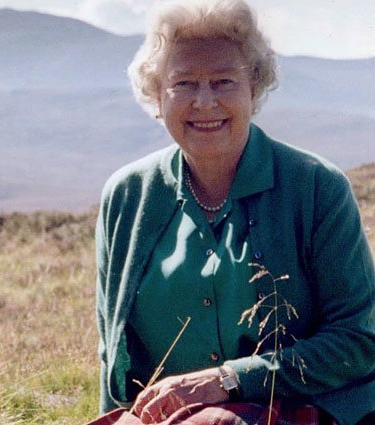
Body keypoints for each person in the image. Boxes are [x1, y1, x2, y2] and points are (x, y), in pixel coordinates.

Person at [94, 1, 375, 424]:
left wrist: (229, 380)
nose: (204, 102)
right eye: (183, 83)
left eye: (223, 81)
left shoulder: (317, 186)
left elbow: (359, 341)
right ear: (156, 95)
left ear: (254, 88)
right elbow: (111, 350)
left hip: (297, 409)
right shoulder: (126, 196)